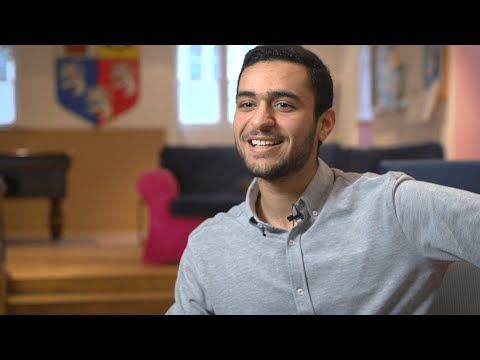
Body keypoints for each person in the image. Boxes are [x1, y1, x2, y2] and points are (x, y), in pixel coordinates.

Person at [166, 45, 480, 315]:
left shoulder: (394, 207)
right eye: (247, 104)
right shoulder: (207, 246)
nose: (260, 120)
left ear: (324, 124)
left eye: (283, 104)